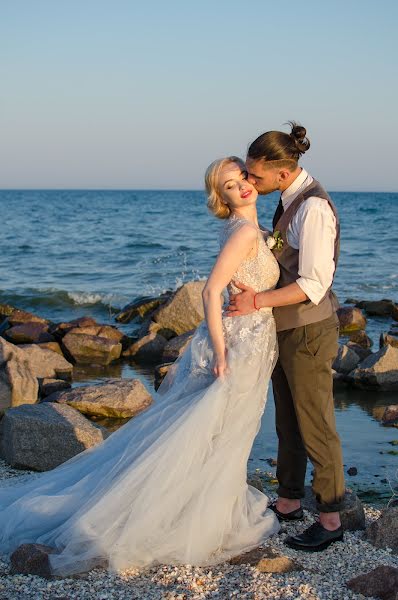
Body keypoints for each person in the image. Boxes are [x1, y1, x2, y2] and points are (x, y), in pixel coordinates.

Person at [0, 157, 280, 577]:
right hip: (237, 343)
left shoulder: (253, 231)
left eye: (241, 175)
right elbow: (210, 292)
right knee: (211, 431)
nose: (240, 185)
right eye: (228, 184)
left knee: (212, 431)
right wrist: (222, 353)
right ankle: (180, 519)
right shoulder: (242, 232)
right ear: (219, 197)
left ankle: (198, 507)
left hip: (252, 336)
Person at [226, 122, 345, 552]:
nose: (250, 182)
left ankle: (331, 518)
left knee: (316, 423)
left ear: (282, 171)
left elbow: (313, 284)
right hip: (285, 327)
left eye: (255, 177)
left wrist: (255, 301)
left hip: (310, 330)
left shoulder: (312, 209)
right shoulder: (288, 199)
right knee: (287, 421)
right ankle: (290, 501)